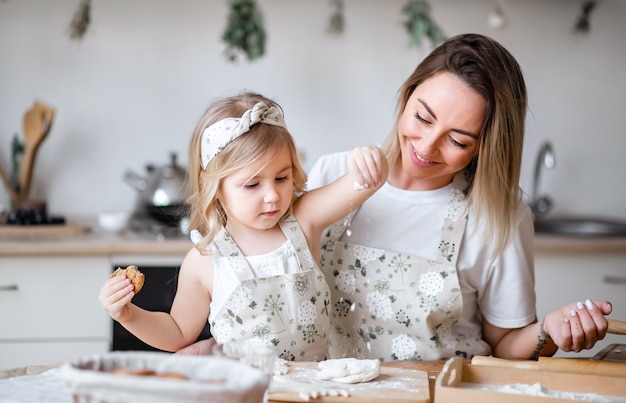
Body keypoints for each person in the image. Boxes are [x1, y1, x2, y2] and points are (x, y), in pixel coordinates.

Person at [306, 33, 613, 361]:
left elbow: (505, 346)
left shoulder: (499, 217)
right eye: (423, 118)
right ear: (408, 95)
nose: (425, 147)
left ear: (486, 147)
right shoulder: (332, 174)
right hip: (333, 396)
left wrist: (549, 330)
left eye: (458, 140)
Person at [99, 91, 388, 362]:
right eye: (252, 184)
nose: (272, 195)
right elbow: (177, 332)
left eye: (282, 178)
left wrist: (370, 160)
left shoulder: (303, 220)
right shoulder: (205, 261)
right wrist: (127, 314)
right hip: (243, 397)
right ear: (216, 188)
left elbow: (362, 183)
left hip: (311, 395)